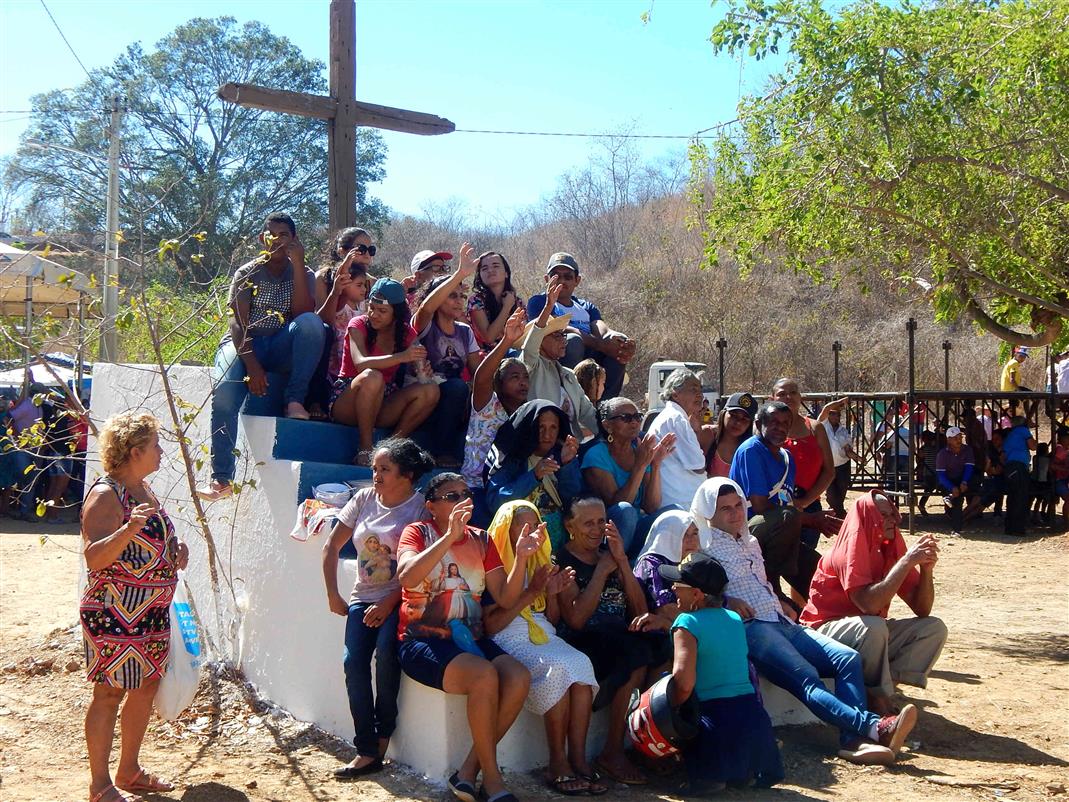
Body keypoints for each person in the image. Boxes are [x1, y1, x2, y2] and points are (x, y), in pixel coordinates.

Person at [694, 477, 916, 766]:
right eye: (725, 509)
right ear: (709, 513)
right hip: (752, 629)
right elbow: (696, 598)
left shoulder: (749, 541)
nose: (736, 513)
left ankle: (853, 740)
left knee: (847, 658)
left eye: (738, 505)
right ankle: (874, 727)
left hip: (780, 621)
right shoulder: (704, 548)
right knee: (807, 678)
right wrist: (727, 602)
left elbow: (760, 583)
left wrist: (781, 602)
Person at [397, 473, 536, 802]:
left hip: (470, 639)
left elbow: (504, 596)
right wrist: (448, 538)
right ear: (431, 506)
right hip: (423, 639)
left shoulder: (482, 539)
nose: (462, 500)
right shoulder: (417, 533)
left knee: (518, 677)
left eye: (465, 493)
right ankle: (493, 781)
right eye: (451, 496)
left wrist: (522, 557)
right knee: (485, 676)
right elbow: (407, 575)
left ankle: (468, 770)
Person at [81, 412, 189, 802]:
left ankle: (129, 771)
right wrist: (127, 530)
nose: (161, 452)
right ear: (135, 450)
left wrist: (175, 550)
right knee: (109, 693)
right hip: (113, 612)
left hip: (152, 613)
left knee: (145, 687)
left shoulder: (144, 489)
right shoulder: (106, 494)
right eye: (156, 446)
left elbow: (152, 540)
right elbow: (94, 557)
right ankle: (99, 785)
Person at [321, 438, 433, 779]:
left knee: (387, 655)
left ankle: (383, 735)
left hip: (401, 598)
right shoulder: (363, 499)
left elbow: (422, 568)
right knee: (352, 663)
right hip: (362, 596)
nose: (376, 475)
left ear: (407, 474)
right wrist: (333, 594)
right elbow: (331, 546)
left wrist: (388, 602)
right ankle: (366, 749)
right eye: (374, 468)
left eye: (384, 469)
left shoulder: (420, 509)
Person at [483, 501, 606, 796]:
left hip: (543, 636)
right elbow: (492, 626)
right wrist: (532, 591)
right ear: (506, 529)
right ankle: (557, 762)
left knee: (580, 664)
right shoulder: (493, 565)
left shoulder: (541, 561)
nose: (532, 535)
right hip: (509, 638)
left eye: (535, 526)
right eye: (522, 527)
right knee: (558, 669)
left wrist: (550, 595)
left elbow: (550, 620)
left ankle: (577, 758)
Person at [199, 213, 325, 500]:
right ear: (261, 239)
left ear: (294, 239)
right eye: (271, 235)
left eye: (283, 235)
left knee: (313, 325)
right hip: (245, 344)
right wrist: (252, 365)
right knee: (225, 395)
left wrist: (297, 265)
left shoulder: (303, 273)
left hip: (279, 344)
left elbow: (303, 315)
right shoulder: (248, 272)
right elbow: (236, 325)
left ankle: (295, 399)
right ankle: (221, 479)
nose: (277, 240)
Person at [554, 495, 672, 786]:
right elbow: (576, 620)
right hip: (584, 640)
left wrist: (620, 561)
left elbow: (640, 611)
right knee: (635, 656)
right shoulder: (563, 560)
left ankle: (649, 743)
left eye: (600, 522)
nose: (596, 530)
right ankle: (612, 752)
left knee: (662, 648)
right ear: (570, 526)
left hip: (621, 635)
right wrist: (601, 572)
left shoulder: (611, 553)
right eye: (587, 523)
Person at [800, 491, 947, 716]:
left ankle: (884, 689)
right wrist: (906, 562)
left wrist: (925, 570)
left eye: (892, 513)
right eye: (885, 515)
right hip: (824, 632)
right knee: (874, 626)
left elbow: (922, 608)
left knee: (932, 628)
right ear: (868, 518)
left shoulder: (888, 544)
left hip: (866, 631)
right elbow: (867, 604)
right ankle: (876, 698)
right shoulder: (849, 549)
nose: (893, 519)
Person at [663, 552, 784, 794]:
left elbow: (684, 683)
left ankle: (711, 776)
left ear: (696, 594)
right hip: (753, 720)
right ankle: (741, 771)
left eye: (678, 585)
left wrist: (669, 713)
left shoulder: (687, 623)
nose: (673, 589)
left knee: (686, 717)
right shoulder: (734, 618)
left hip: (716, 723)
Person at [730, 401, 836, 601]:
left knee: (819, 575)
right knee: (786, 517)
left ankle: (821, 609)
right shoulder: (751, 450)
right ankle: (773, 588)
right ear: (759, 423)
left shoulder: (787, 457)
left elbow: (785, 502)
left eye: (786, 423)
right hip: (750, 533)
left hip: (779, 531)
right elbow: (761, 506)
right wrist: (811, 520)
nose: (780, 427)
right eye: (773, 422)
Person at [329, 277, 439, 463]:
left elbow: (419, 366)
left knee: (431, 390)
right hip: (349, 398)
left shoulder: (405, 332)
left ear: (395, 313)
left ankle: (390, 449)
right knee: (372, 376)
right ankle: (365, 448)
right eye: (371, 307)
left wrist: (420, 370)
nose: (374, 314)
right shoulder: (358, 324)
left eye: (382, 311)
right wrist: (403, 356)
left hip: (383, 399)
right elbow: (361, 364)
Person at [412, 243, 484, 466]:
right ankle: (441, 451)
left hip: (453, 401)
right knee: (456, 387)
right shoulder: (424, 324)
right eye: (451, 296)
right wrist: (460, 274)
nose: (459, 301)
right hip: (422, 399)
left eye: (461, 296)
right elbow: (426, 308)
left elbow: (477, 372)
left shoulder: (464, 331)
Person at [526, 253, 634, 400]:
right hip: (558, 359)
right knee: (572, 340)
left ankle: (605, 405)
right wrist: (600, 344)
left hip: (590, 354)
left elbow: (601, 328)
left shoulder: (585, 306)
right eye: (556, 276)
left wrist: (620, 341)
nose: (562, 281)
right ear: (547, 279)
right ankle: (570, 399)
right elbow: (559, 328)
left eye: (568, 276)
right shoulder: (540, 302)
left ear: (577, 280)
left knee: (618, 346)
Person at [581, 396, 676, 558]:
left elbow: (651, 506)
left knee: (675, 512)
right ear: (607, 425)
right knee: (627, 511)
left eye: (637, 417)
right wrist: (640, 466)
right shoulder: (596, 455)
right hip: (610, 529)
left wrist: (655, 464)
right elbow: (618, 505)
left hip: (637, 525)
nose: (634, 422)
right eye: (625, 418)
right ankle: (612, 565)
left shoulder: (638, 450)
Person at [461, 308, 529, 526]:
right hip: (475, 487)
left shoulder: (526, 414)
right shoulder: (487, 404)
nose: (523, 382)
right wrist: (507, 340)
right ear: (499, 382)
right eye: (515, 377)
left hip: (507, 489)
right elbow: (481, 377)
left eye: (526, 378)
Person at [484, 400, 581, 550]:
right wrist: (534, 476)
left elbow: (573, 501)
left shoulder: (562, 454)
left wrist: (567, 464)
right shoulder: (511, 459)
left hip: (560, 542)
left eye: (553, 427)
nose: (547, 434)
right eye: (540, 427)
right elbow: (495, 502)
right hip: (521, 543)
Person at [308, 227, 374, 419]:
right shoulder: (324, 277)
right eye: (361, 248)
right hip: (331, 345)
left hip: (357, 346)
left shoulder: (371, 283)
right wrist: (337, 290)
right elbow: (321, 321)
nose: (367, 255)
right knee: (325, 332)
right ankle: (315, 400)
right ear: (342, 251)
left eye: (371, 250)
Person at [520, 280, 597, 440]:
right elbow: (529, 350)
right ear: (540, 341)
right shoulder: (532, 367)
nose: (563, 340)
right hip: (540, 448)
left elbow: (588, 414)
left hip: (571, 449)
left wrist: (612, 434)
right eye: (556, 335)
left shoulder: (568, 375)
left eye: (563, 334)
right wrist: (548, 307)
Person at [646, 368, 707, 509]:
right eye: (693, 390)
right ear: (675, 394)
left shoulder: (674, 416)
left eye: (700, 390)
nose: (700, 395)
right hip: (681, 504)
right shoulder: (676, 418)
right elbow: (698, 465)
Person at [632, 509, 701, 621]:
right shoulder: (651, 564)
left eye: (695, 533)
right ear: (667, 537)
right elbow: (666, 611)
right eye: (683, 534)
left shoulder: (695, 561)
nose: (692, 540)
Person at [467, 251, 524, 348]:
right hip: (488, 356)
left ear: (506, 273)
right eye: (484, 268)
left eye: (495, 266)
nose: (490, 270)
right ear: (480, 276)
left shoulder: (517, 301)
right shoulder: (476, 301)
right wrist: (506, 307)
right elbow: (489, 338)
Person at [935, 426, 979, 536]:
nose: (959, 440)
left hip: (962, 479)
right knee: (957, 498)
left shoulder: (967, 450)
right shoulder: (942, 454)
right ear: (949, 439)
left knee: (958, 497)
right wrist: (951, 487)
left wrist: (964, 481)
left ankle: (957, 526)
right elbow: (941, 475)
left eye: (960, 437)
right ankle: (956, 527)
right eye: (955, 438)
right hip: (948, 480)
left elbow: (969, 468)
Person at [704, 392, 756, 479]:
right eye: (733, 415)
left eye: (744, 419)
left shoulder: (752, 448)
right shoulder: (707, 434)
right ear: (723, 413)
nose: (738, 422)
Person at [822, 405, 861, 518]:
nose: (835, 416)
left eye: (837, 414)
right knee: (830, 493)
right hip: (827, 466)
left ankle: (837, 512)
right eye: (832, 413)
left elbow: (847, 450)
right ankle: (840, 514)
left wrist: (858, 459)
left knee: (841, 489)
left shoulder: (844, 432)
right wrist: (841, 402)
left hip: (842, 466)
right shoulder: (823, 427)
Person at [1003, 415, 1036, 536]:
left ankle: (1009, 527)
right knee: (1021, 498)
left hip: (1009, 467)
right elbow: (1033, 446)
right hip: (1019, 467)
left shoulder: (1010, 435)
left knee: (1012, 497)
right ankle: (1018, 528)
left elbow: (1003, 456)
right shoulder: (1023, 431)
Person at [916, 430, 941, 517]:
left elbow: (919, 460)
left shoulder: (924, 449)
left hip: (930, 472)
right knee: (930, 489)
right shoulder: (935, 449)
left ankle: (921, 505)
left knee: (929, 490)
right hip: (930, 473)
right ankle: (921, 505)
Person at [1050, 427, 1069, 530]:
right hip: (1059, 480)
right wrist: (1065, 469)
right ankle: (1066, 523)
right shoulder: (1060, 450)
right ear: (1062, 438)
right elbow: (1052, 466)